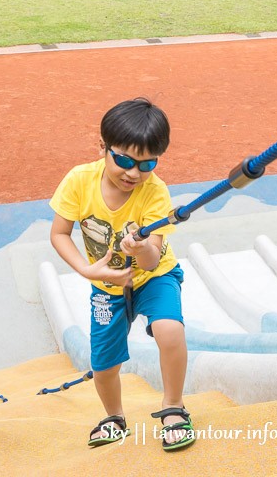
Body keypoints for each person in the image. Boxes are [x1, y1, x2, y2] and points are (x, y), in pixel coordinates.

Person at [49, 97, 194, 452]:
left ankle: (173, 407)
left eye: (147, 164)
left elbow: (150, 259)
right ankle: (114, 418)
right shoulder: (79, 181)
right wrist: (86, 270)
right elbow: (59, 233)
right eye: (124, 160)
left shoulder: (155, 191)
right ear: (103, 147)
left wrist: (139, 247)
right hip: (105, 286)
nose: (134, 173)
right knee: (103, 363)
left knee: (169, 330)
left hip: (153, 276)